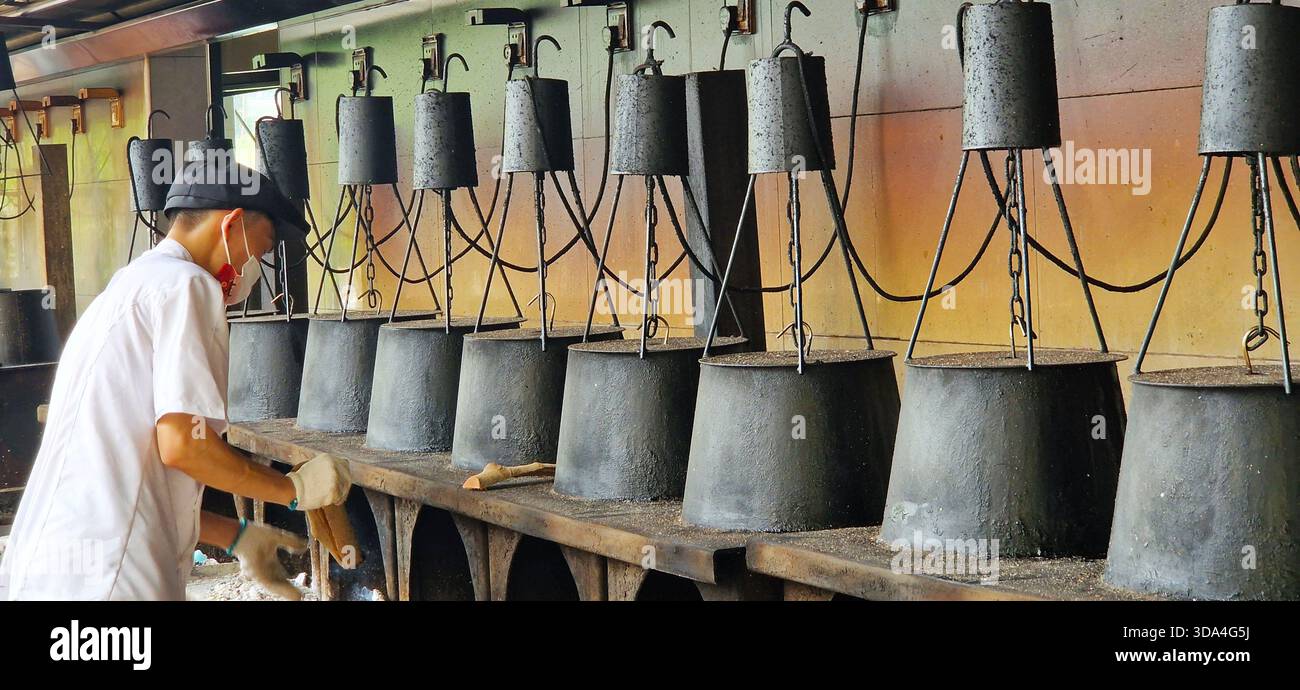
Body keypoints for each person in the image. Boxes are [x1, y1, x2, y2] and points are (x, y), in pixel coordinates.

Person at [0, 165, 351, 601]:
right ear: (232, 224)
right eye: (256, 252)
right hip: (112, 580)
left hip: (47, 568)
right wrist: (294, 490)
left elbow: (136, 467)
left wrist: (238, 535)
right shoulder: (188, 286)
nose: (249, 270)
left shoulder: (129, 286)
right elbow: (184, 445)